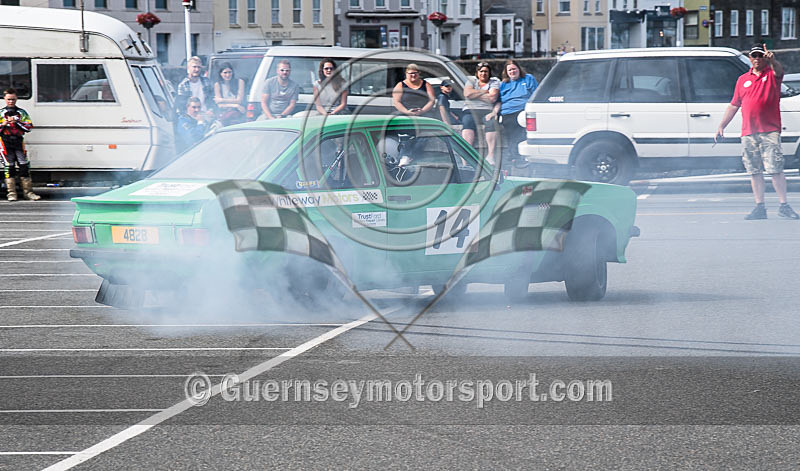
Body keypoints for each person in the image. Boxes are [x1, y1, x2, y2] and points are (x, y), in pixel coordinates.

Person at [717, 44, 799, 220]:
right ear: (750, 58)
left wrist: (773, 61)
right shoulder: (742, 80)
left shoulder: (772, 75)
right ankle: (759, 206)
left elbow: (778, 70)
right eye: (754, 56)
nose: (756, 59)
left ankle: (783, 205)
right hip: (749, 131)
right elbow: (734, 105)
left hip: (769, 130)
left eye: (760, 56)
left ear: (764, 58)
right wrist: (722, 125)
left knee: (775, 168)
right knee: (754, 170)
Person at [0, 88, 39, 201]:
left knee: (24, 166)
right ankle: (11, 193)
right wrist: (5, 124)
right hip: (5, 142)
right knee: (9, 167)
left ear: (16, 99)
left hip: (18, 142)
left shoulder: (22, 113)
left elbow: (29, 127)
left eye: (13, 99)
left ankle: (28, 193)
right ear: (4, 99)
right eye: (9, 99)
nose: (11, 102)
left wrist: (17, 122)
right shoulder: (1, 113)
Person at [497, 60, 538, 165]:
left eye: (514, 69)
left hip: (523, 109)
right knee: (511, 129)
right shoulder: (503, 84)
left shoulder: (528, 78)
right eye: (510, 70)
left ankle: (522, 156)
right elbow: (498, 100)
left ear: (519, 69)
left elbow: (536, 94)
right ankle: (514, 156)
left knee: (522, 126)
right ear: (506, 72)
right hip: (508, 112)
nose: (512, 71)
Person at [462, 62, 500, 165]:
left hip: (486, 111)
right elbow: (467, 94)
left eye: (486, 71)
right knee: (467, 122)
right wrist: (484, 92)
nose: (483, 73)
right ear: (477, 73)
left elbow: (492, 98)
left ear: (489, 73)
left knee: (491, 123)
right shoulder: (471, 80)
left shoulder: (494, 82)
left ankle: (490, 156)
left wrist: (474, 93)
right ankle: (466, 157)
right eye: (481, 71)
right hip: (470, 110)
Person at [213, 62, 246, 126]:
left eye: (229, 72)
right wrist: (235, 105)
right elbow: (219, 105)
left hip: (239, 114)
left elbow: (239, 100)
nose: (228, 75)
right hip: (224, 114)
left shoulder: (240, 82)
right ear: (220, 74)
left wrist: (222, 100)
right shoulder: (217, 85)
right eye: (225, 73)